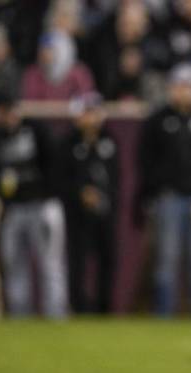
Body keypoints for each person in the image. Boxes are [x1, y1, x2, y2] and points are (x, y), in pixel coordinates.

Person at [137, 63, 191, 317]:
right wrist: (155, 189)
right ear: (171, 89)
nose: (184, 92)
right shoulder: (158, 120)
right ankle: (164, 315)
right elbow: (145, 159)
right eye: (179, 86)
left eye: (189, 87)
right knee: (166, 260)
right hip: (169, 197)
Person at [0, 92, 68, 318]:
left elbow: (54, 164)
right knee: (15, 264)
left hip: (40, 205)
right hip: (14, 209)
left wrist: (46, 195)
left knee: (49, 263)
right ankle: (19, 315)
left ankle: (55, 314)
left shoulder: (37, 130)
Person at [62, 92, 118, 314]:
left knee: (108, 259)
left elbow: (116, 176)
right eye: (86, 112)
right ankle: (77, 307)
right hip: (77, 212)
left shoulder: (109, 140)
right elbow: (61, 178)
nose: (91, 117)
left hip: (105, 210)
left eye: (94, 112)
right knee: (78, 261)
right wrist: (80, 193)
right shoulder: (68, 143)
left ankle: (104, 308)